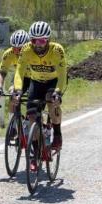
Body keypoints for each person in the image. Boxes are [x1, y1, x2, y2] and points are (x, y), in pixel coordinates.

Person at [13, 21, 67, 171]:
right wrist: (18, 90)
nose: (38, 44)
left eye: (42, 41)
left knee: (51, 101)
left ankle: (57, 134)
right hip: (36, 82)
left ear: (48, 40)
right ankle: (35, 154)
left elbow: (63, 74)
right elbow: (19, 72)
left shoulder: (57, 50)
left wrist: (58, 92)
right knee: (31, 116)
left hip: (53, 82)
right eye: (34, 40)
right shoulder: (26, 50)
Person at [0, 29, 30, 115]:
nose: (17, 52)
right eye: (14, 48)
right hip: (20, 77)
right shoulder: (9, 53)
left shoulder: (32, 53)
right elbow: (1, 73)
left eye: (20, 49)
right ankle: (13, 120)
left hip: (36, 78)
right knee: (12, 94)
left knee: (34, 102)